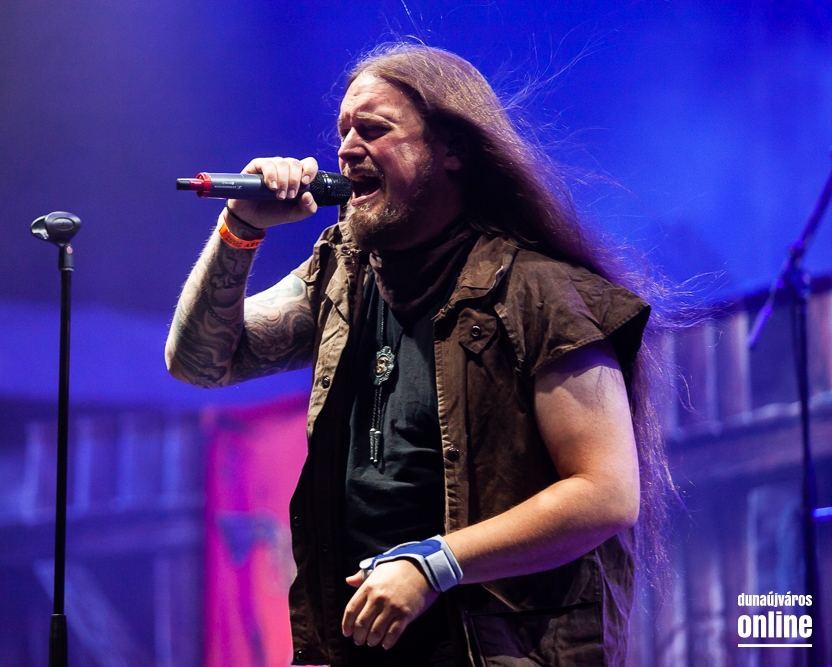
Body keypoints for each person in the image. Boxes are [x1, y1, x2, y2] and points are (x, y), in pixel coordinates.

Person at [166, 43, 675, 667]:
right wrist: (241, 226)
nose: (347, 149)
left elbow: (606, 493)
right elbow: (200, 362)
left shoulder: (541, 294)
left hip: (496, 652)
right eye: (343, 131)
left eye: (374, 129)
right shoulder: (341, 275)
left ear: (452, 149)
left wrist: (435, 563)